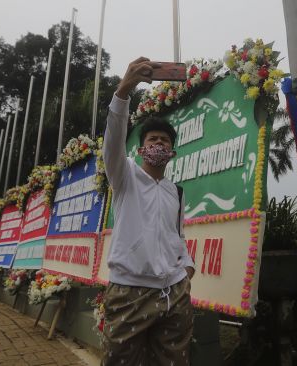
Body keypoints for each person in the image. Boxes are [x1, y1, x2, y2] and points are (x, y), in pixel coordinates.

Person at [102, 57, 195, 366]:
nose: (158, 143)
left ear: (171, 153)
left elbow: (177, 236)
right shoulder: (124, 174)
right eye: (152, 139)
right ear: (140, 149)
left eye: (164, 140)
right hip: (128, 293)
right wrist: (123, 91)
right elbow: (114, 141)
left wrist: (186, 270)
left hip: (174, 295)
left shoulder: (176, 192)